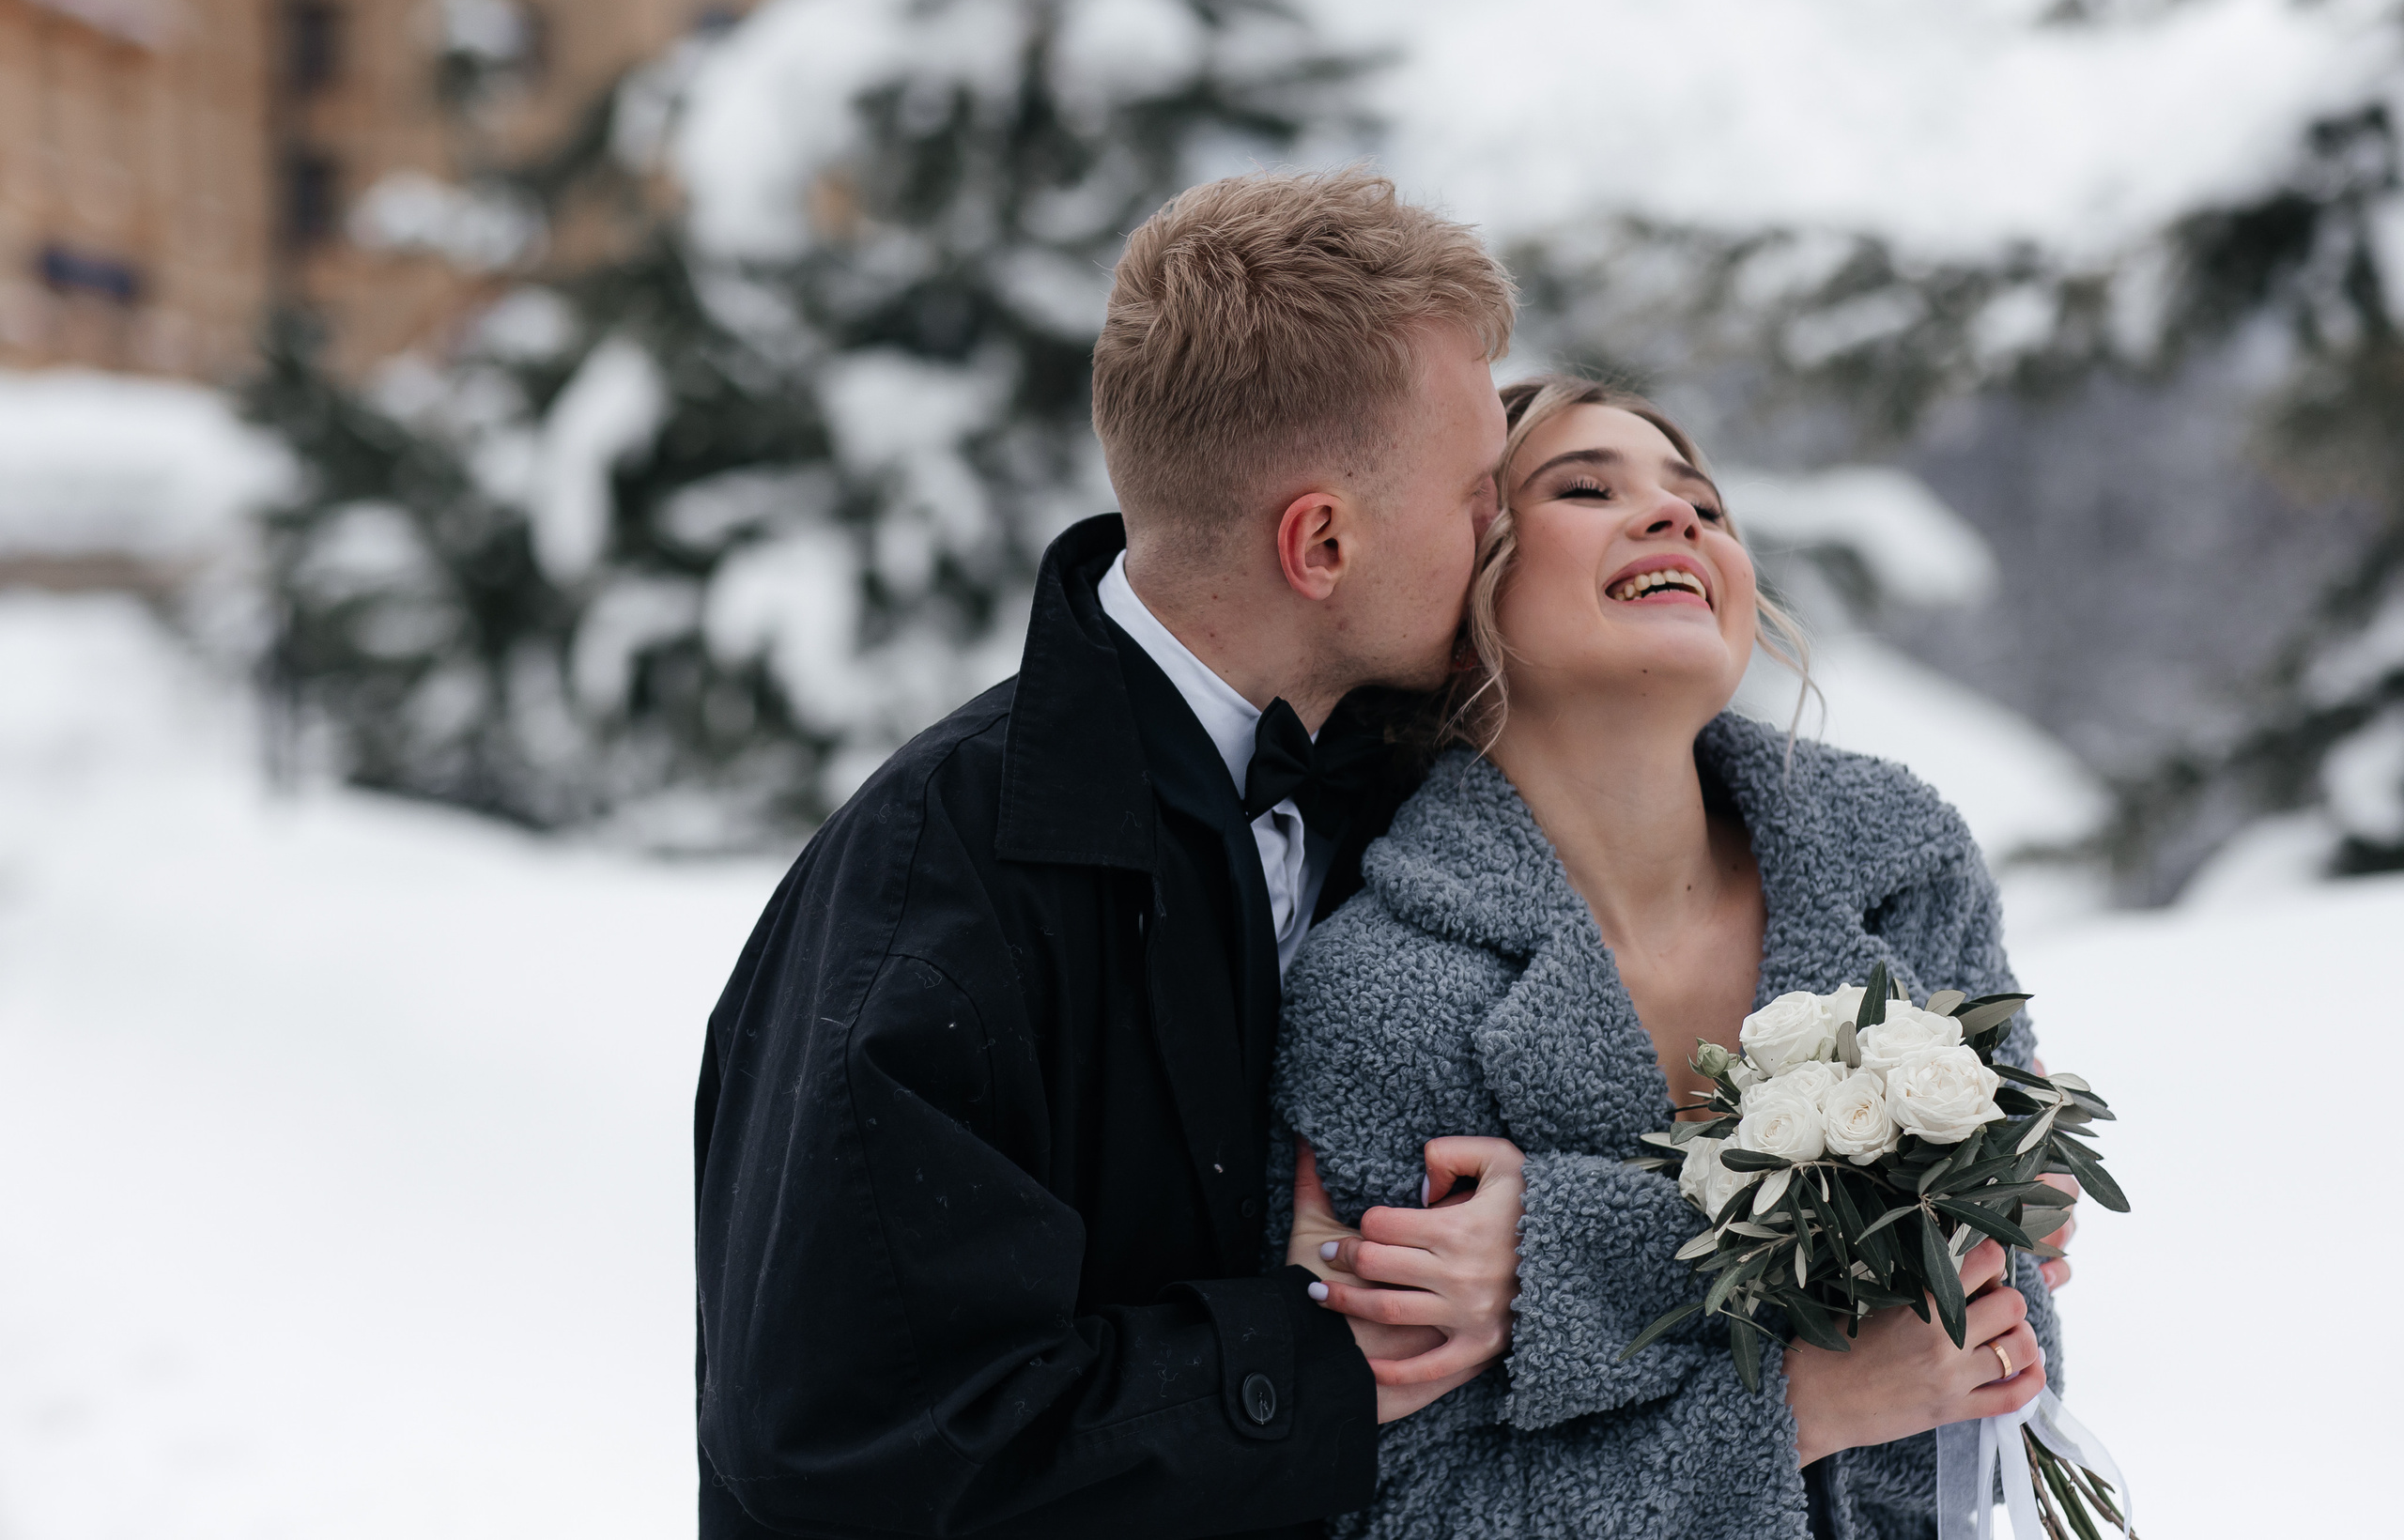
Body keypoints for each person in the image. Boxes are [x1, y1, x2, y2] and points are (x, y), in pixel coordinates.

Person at [691, 167, 1530, 1539]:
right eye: (1474, 497)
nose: (1499, 537)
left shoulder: (1418, 796)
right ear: (1320, 540)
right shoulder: (929, 883)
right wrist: (1317, 1355)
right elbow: (856, 1441)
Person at [1274, 376, 2071, 1539]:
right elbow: (1401, 1512)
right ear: (1461, 586)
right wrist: (1794, 1409)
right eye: (1585, 487)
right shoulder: (1380, 996)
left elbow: (2005, 1366)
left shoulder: (1897, 863)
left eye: (1703, 502)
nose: (1677, 517)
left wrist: (1564, 1252)